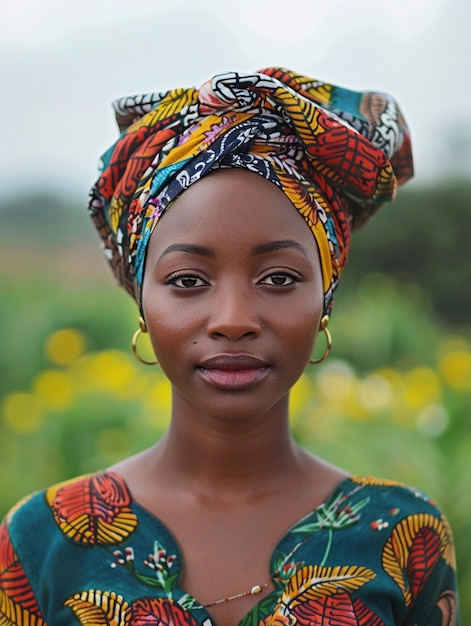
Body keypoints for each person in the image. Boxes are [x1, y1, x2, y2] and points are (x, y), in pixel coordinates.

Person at [0, 68, 459, 626]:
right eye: (189, 280)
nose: (234, 320)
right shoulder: (40, 542)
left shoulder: (402, 534)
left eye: (280, 279)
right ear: (142, 303)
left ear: (326, 301)